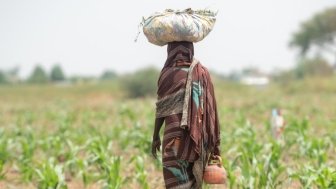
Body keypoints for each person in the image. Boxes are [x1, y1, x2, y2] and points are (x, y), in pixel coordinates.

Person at [151, 41, 221, 189]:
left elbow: (161, 109)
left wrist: (155, 136)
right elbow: (210, 108)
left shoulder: (167, 74)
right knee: (193, 183)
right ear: (190, 50)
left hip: (173, 140)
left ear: (170, 51)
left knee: (176, 183)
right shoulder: (202, 73)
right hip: (196, 139)